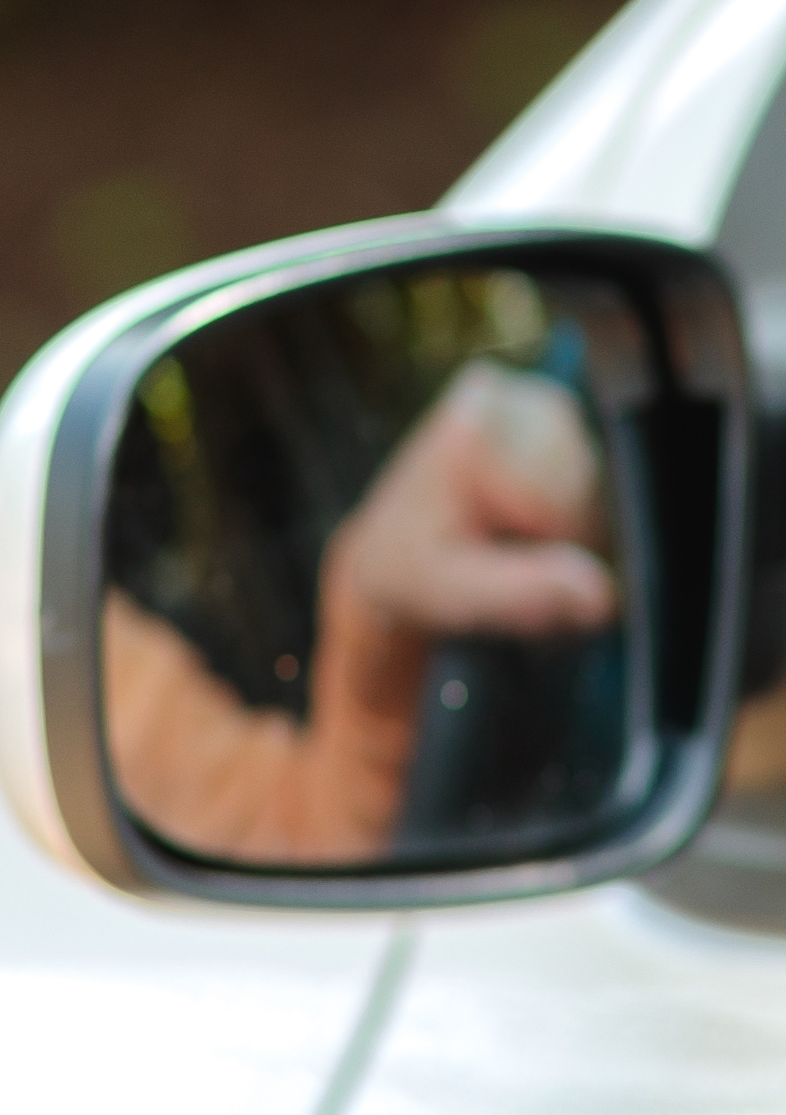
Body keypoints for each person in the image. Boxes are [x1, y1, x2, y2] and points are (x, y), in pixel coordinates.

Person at [101, 357, 620, 867]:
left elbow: (293, 840)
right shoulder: (60, 661)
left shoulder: (99, 662)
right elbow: (295, 866)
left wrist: (376, 607)